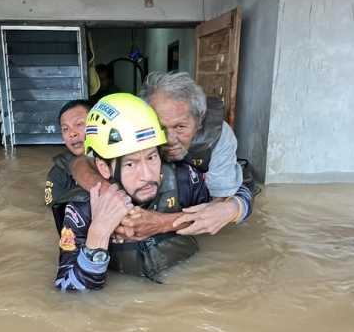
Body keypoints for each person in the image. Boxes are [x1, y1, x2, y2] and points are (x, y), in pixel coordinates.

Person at [54, 94, 212, 291]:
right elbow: (69, 293)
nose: (147, 175)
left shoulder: (185, 178)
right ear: (104, 168)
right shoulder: (82, 208)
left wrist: (163, 223)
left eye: (152, 157)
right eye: (130, 163)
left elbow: (218, 216)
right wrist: (98, 235)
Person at [71, 71, 254, 238]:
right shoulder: (133, 126)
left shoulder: (219, 137)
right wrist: (113, 197)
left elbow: (217, 210)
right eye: (160, 127)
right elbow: (81, 163)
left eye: (180, 127)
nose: (169, 140)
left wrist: (161, 223)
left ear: (199, 122)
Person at [44, 100, 91, 233]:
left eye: (79, 124)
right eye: (65, 129)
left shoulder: (119, 159)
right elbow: (53, 215)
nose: (72, 133)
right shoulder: (58, 173)